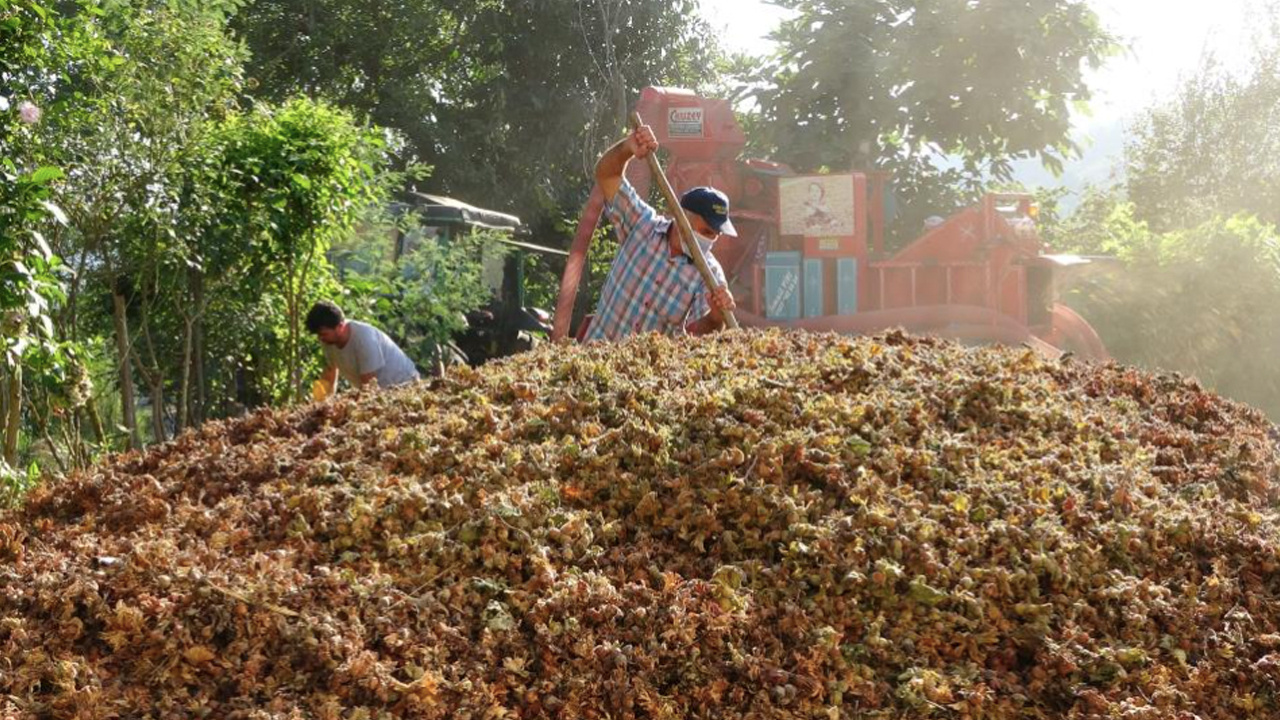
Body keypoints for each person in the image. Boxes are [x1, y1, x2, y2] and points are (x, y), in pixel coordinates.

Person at [583, 122, 737, 341]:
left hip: (646, 374)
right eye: (706, 230)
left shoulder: (710, 275)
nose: (710, 239)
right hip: (590, 360)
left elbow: (697, 341)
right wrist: (628, 148)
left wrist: (715, 318)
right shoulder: (642, 224)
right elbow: (606, 175)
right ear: (683, 217)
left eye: (715, 234)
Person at [306, 301, 420, 396]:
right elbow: (329, 375)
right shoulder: (328, 341)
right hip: (379, 393)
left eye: (324, 334)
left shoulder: (364, 338)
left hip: (405, 388)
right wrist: (319, 406)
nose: (320, 339)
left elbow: (369, 386)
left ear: (340, 327)